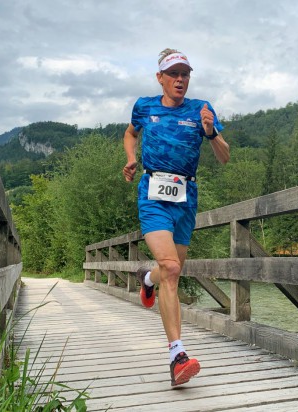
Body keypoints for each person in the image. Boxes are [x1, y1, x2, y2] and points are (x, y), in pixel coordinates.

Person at [122, 48, 230, 387]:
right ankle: (177, 355)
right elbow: (130, 133)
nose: (180, 79)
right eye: (174, 74)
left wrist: (211, 133)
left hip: (186, 197)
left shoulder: (202, 109)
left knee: (172, 272)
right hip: (153, 192)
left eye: (185, 73)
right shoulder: (145, 106)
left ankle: (147, 280)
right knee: (171, 266)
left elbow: (225, 157)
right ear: (161, 78)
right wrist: (130, 158)